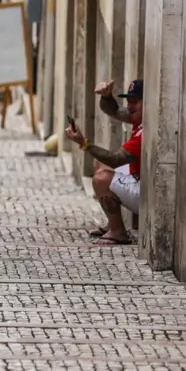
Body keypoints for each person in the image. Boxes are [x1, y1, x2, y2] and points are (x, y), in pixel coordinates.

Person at [64, 78, 143, 247]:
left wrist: (84, 144)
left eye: (135, 102)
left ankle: (118, 232)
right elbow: (113, 111)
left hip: (146, 197)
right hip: (138, 180)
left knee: (101, 179)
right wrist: (106, 96)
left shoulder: (145, 131)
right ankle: (113, 222)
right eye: (128, 102)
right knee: (101, 166)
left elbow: (115, 160)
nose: (130, 107)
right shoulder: (139, 118)